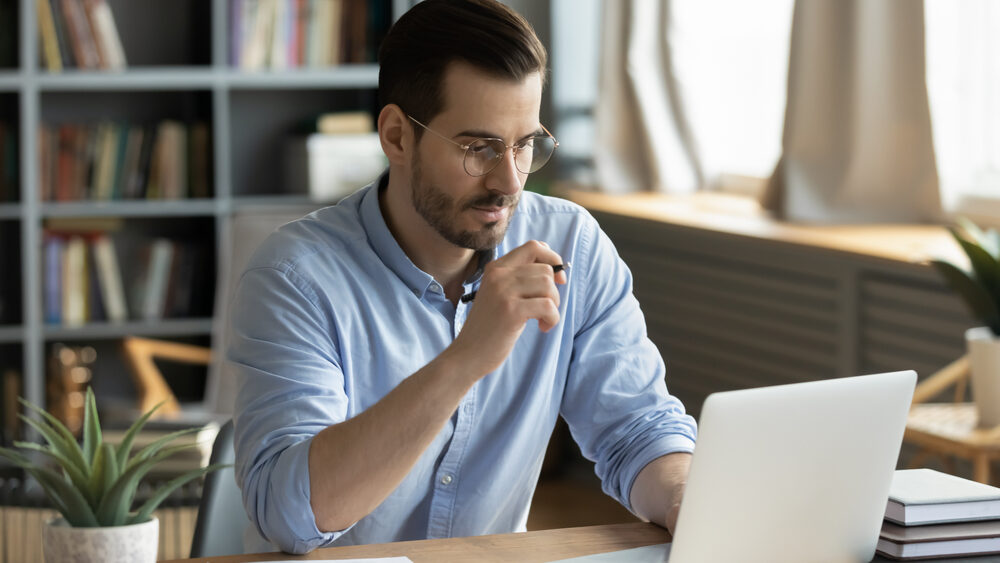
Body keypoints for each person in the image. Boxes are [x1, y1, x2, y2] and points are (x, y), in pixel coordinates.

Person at [229, 0, 696, 555]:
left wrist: (682, 495)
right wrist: (469, 355)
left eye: (526, 144)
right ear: (398, 136)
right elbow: (292, 515)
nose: (510, 181)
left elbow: (635, 428)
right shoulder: (294, 278)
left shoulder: (574, 244)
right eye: (480, 148)